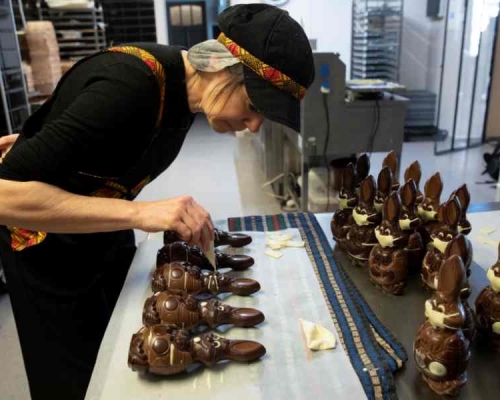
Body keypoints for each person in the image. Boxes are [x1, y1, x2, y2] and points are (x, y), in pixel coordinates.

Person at [0, 3, 315, 399]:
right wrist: (139, 212)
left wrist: (49, 142)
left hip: (100, 232)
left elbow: (91, 127)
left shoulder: (182, 98)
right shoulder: (131, 85)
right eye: (253, 107)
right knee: (77, 381)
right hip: (48, 253)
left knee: (123, 356)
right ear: (221, 67)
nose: (253, 126)